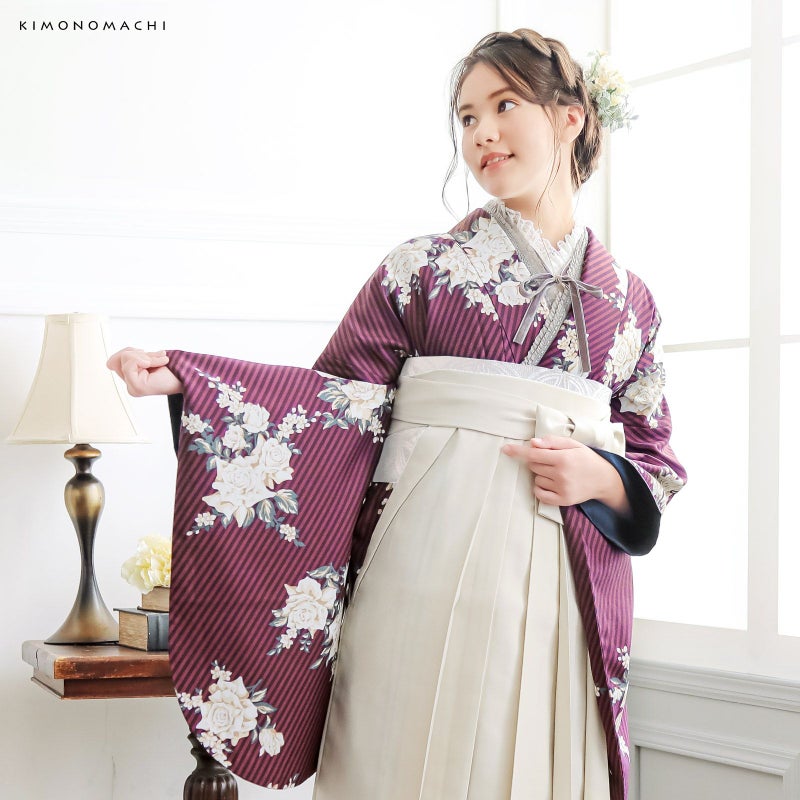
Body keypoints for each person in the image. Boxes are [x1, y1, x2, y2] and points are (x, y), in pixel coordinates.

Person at [109, 28, 685, 800]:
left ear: (570, 117)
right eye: (467, 117)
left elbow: (655, 458)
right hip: (422, 569)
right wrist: (195, 380)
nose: (481, 133)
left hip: (565, 587)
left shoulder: (631, 303)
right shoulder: (422, 270)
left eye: (503, 106)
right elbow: (330, 403)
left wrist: (603, 478)